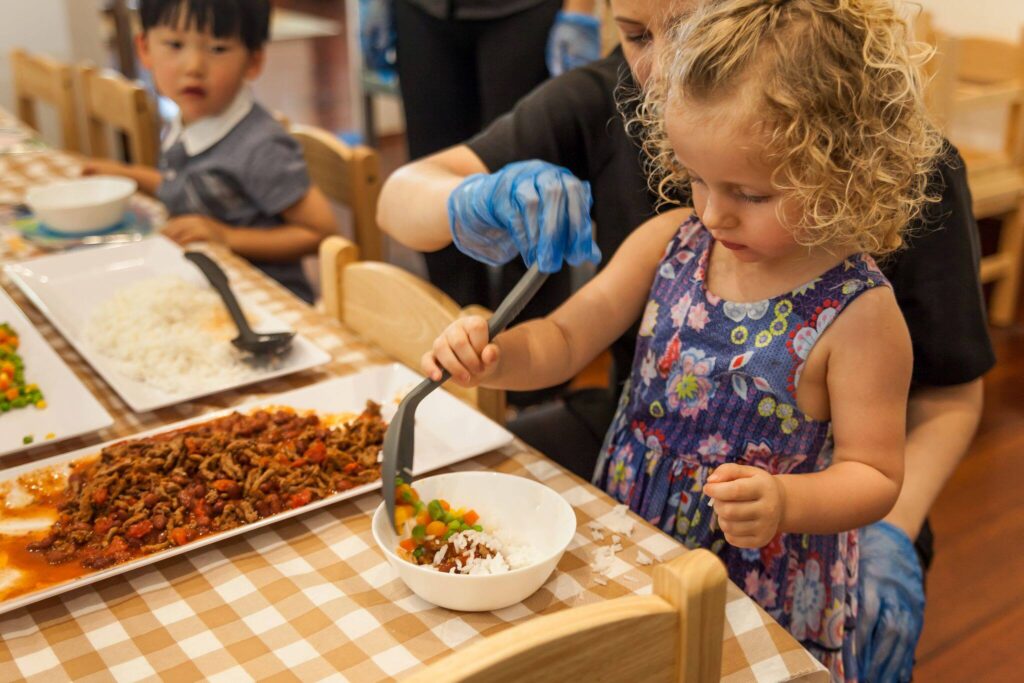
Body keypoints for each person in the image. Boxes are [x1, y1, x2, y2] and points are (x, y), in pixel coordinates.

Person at [378, 0, 993, 678]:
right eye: (696, 177)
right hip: (640, 529)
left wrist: (787, 502)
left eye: (749, 193)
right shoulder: (672, 240)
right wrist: (490, 353)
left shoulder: (859, 315)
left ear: (838, 173)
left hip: (765, 578)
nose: (711, 210)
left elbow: (875, 472)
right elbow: (559, 339)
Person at [360, 0, 602, 328]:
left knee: (532, 194)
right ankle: (454, 347)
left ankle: (535, 360)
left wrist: (580, 10)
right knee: (435, 189)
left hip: (525, 13)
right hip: (421, 12)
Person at [84, 0, 337, 304]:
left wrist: (227, 237)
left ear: (253, 61)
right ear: (145, 48)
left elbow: (320, 232)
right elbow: (186, 187)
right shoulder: (187, 121)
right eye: (175, 44)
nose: (193, 67)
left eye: (217, 48)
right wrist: (128, 176)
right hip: (201, 286)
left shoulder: (259, 146)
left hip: (264, 304)